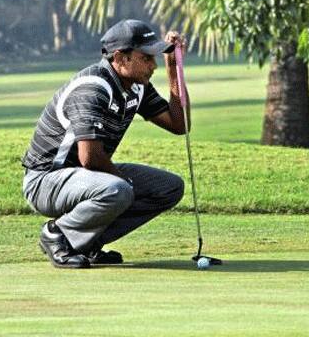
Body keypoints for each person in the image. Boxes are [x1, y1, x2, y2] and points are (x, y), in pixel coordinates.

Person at [21, 19, 188, 268]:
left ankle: (87, 242)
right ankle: (58, 234)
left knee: (169, 187)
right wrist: (125, 182)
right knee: (118, 190)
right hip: (46, 180)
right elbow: (89, 156)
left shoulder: (136, 86)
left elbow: (179, 124)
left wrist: (173, 68)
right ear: (120, 58)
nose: (153, 65)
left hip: (87, 177)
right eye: (146, 58)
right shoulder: (92, 88)